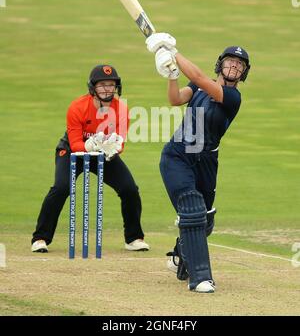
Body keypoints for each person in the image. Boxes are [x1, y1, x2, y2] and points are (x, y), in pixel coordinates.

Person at [146, 33, 251, 293]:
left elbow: (200, 78)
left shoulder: (231, 98)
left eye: (240, 65)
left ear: (244, 73)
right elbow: (175, 99)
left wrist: (172, 51)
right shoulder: (197, 89)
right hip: (178, 155)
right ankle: (201, 278)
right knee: (192, 208)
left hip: (207, 160)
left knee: (204, 220)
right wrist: (172, 74)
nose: (234, 66)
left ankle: (182, 259)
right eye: (230, 61)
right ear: (220, 64)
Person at [31, 64, 149, 253]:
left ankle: (134, 238)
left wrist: (114, 148)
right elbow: (76, 143)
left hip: (102, 154)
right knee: (61, 188)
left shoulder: (122, 109)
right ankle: (40, 238)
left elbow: (120, 143)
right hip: (72, 152)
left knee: (129, 189)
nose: (107, 89)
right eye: (102, 85)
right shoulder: (77, 107)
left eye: (111, 85)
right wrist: (91, 145)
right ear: (93, 87)